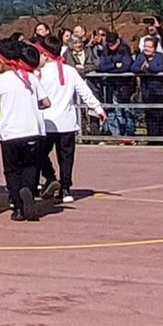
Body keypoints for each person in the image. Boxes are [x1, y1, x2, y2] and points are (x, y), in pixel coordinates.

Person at [0, 41, 51, 222]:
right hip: (33, 131)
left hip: (10, 133)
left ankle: (18, 207)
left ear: (1, 61)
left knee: (12, 170)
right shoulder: (30, 78)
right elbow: (46, 102)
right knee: (31, 166)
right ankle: (28, 189)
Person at [35, 36, 105, 203]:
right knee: (66, 158)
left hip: (45, 122)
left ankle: (50, 177)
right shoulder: (70, 71)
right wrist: (98, 108)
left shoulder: (38, 73)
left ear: (45, 54)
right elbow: (84, 91)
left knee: (38, 154)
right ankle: (65, 189)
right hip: (66, 123)